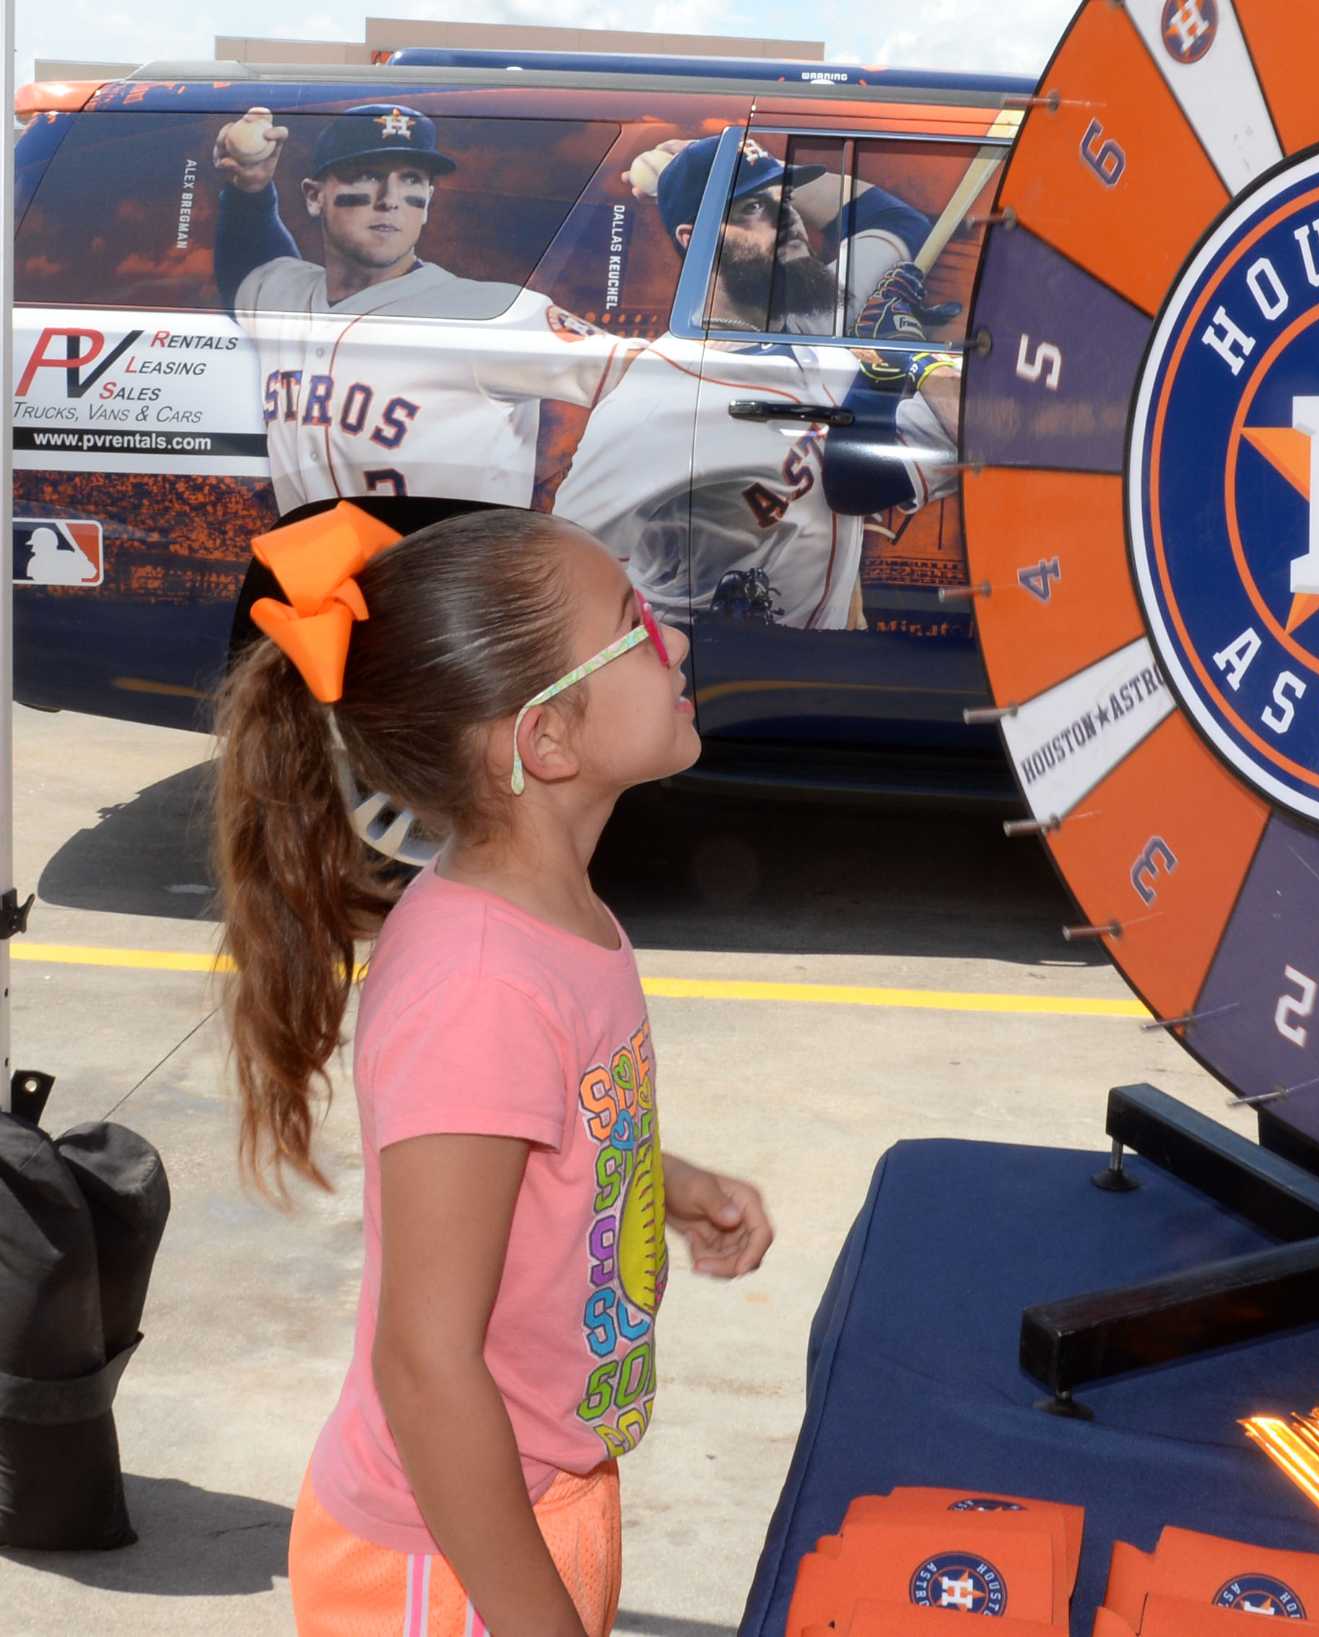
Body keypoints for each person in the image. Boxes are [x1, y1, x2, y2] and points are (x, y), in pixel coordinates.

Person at [211, 500, 773, 1635]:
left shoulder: (547, 920)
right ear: (545, 740)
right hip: (454, 1560)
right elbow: (424, 1363)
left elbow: (531, 1125)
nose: (676, 637)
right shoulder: (479, 982)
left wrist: (656, 1174)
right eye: (635, 623)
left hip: (530, 1505)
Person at [553, 136, 961, 632]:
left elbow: (900, 224)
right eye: (753, 207)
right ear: (695, 238)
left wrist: (918, 360)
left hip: (820, 676)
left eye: (786, 199)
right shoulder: (652, 405)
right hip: (713, 684)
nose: (789, 217)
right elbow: (557, 579)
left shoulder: (829, 321)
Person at [211, 103, 638, 514]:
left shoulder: (491, 311)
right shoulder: (284, 295)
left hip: (449, 584)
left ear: (428, 200)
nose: (390, 199)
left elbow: (651, 377)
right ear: (313, 196)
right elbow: (248, 261)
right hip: (318, 582)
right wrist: (250, 190)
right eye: (366, 175)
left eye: (411, 180)